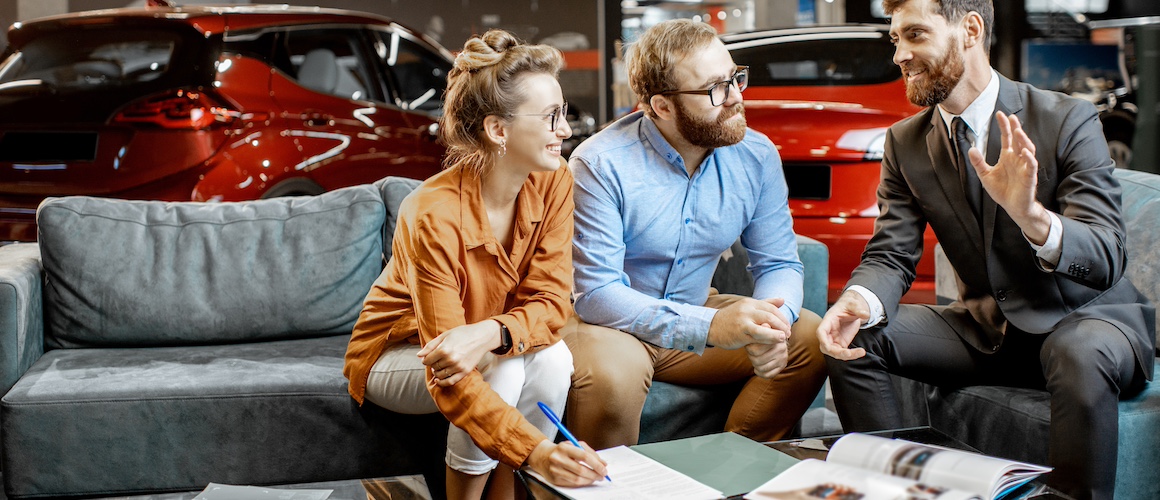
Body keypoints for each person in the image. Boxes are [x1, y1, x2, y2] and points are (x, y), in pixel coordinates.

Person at [815, 1, 1155, 499]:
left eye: (915, 35)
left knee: (1077, 351)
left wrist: (1034, 219)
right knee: (857, 335)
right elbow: (891, 252)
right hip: (988, 329)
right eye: (895, 40)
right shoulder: (905, 142)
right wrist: (859, 300)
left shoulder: (1067, 119)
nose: (900, 55)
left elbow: (1106, 253)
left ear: (970, 30)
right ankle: (891, 488)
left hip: (1088, 321)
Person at [343, 30, 607, 499]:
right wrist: (540, 453)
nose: (565, 131)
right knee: (498, 370)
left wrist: (491, 332)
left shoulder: (554, 181)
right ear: (498, 130)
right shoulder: (431, 211)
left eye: (563, 114)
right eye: (550, 118)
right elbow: (447, 367)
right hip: (400, 352)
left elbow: (550, 305)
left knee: (553, 357)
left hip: (481, 338)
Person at [564, 18, 828, 450]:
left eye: (735, 79)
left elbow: (779, 262)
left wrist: (774, 325)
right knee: (613, 374)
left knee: (807, 339)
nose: (737, 98)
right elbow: (597, 293)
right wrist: (710, 326)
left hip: (694, 307)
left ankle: (731, 474)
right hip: (609, 324)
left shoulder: (756, 156)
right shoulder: (600, 163)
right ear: (662, 106)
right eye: (715, 89)